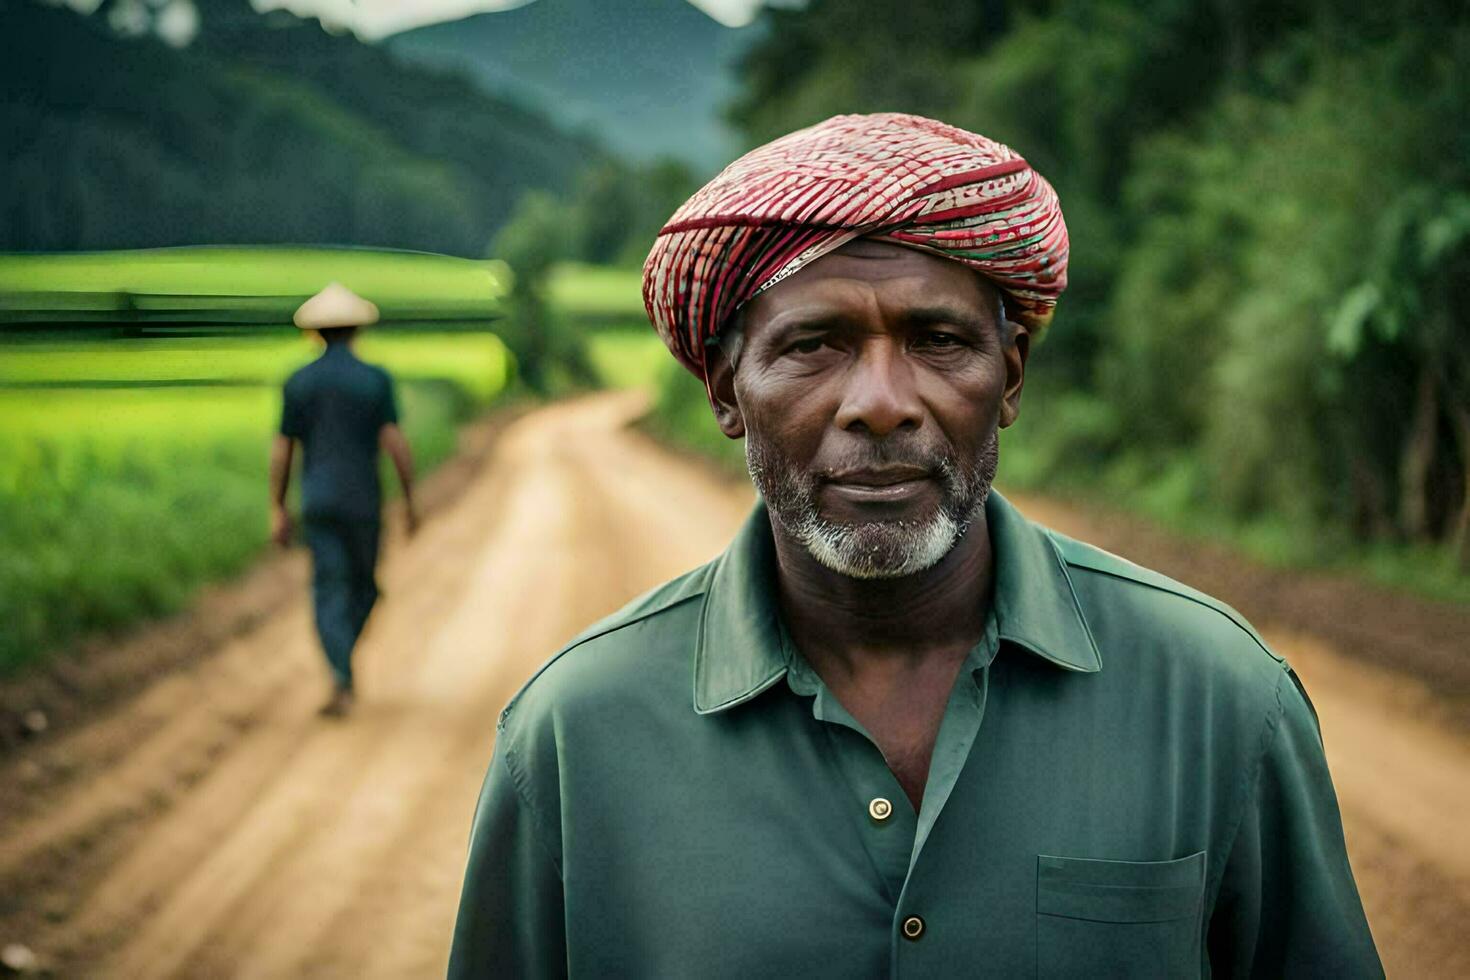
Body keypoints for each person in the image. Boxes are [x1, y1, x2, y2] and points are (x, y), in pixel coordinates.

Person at [448, 114, 1382, 976]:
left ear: (1008, 379)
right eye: (815, 345)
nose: (882, 403)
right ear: (729, 393)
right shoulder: (574, 737)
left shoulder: (1218, 698)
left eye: (937, 340)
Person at [270, 282, 417, 718]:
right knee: (363, 588)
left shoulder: (299, 383)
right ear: (356, 330)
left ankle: (340, 673)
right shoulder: (374, 380)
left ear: (316, 333)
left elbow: (284, 450)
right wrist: (410, 502)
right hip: (363, 504)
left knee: (330, 590)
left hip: (318, 502)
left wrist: (277, 507)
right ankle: (341, 674)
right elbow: (395, 443)